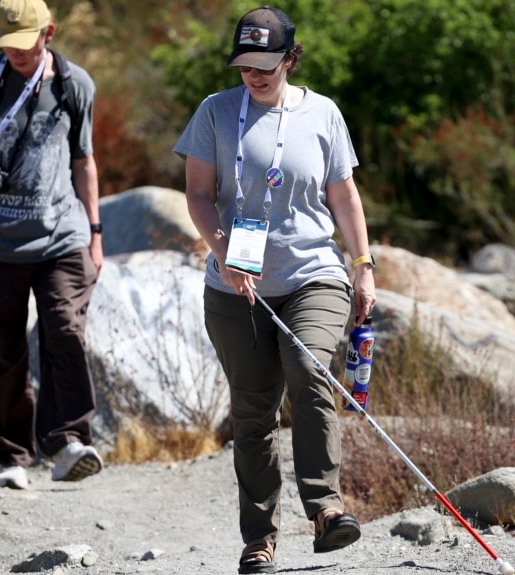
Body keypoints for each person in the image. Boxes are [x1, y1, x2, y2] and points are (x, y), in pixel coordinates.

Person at [173, 6, 376, 573]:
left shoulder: (324, 114)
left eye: (266, 63)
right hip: (236, 288)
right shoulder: (215, 113)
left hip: (313, 273)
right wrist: (222, 252)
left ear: (290, 57)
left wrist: (362, 263)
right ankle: (259, 539)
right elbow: (197, 193)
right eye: (245, 65)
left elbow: (344, 196)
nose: (255, 75)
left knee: (310, 368)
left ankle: (327, 508)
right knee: (254, 413)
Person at [0, 0, 104, 490]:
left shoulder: (75, 85)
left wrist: (95, 233)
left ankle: (69, 440)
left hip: (62, 237)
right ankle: (12, 456)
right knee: (0, 351)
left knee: (65, 330)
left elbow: (84, 161)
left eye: (24, 42)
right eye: (6, 43)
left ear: (47, 33)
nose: (15, 53)